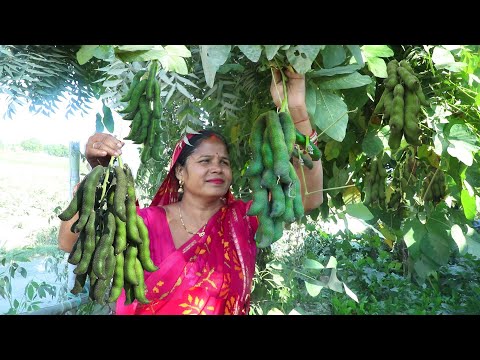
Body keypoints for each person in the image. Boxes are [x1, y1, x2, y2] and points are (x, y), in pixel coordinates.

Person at [58, 68, 324, 315]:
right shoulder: (144, 222)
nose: (217, 168)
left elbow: (308, 197)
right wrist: (98, 173)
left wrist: (297, 111)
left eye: (224, 162)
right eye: (205, 161)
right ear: (180, 172)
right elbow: (69, 243)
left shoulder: (243, 219)